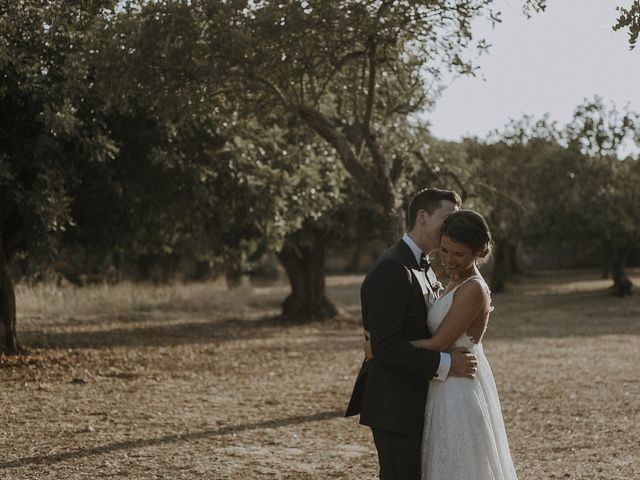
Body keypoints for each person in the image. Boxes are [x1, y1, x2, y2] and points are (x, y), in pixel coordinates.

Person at [345, 188, 478, 480]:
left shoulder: (425, 267)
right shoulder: (391, 268)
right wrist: (446, 364)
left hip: (418, 398)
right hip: (395, 405)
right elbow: (387, 347)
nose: (452, 228)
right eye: (447, 219)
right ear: (422, 217)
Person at [410, 209, 519, 479]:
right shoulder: (452, 282)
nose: (449, 260)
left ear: (479, 252)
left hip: (459, 388)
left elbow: (438, 343)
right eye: (445, 251)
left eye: (459, 254)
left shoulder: (473, 289)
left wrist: (385, 348)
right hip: (444, 382)